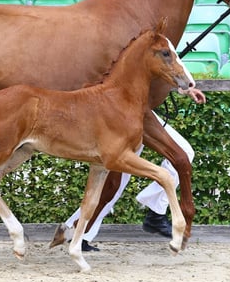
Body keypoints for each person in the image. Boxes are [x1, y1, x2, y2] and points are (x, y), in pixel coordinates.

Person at [63, 87, 207, 251]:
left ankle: (74, 231)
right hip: (130, 113)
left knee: (115, 182)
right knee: (113, 183)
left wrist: (185, 88)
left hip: (139, 111)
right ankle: (77, 232)